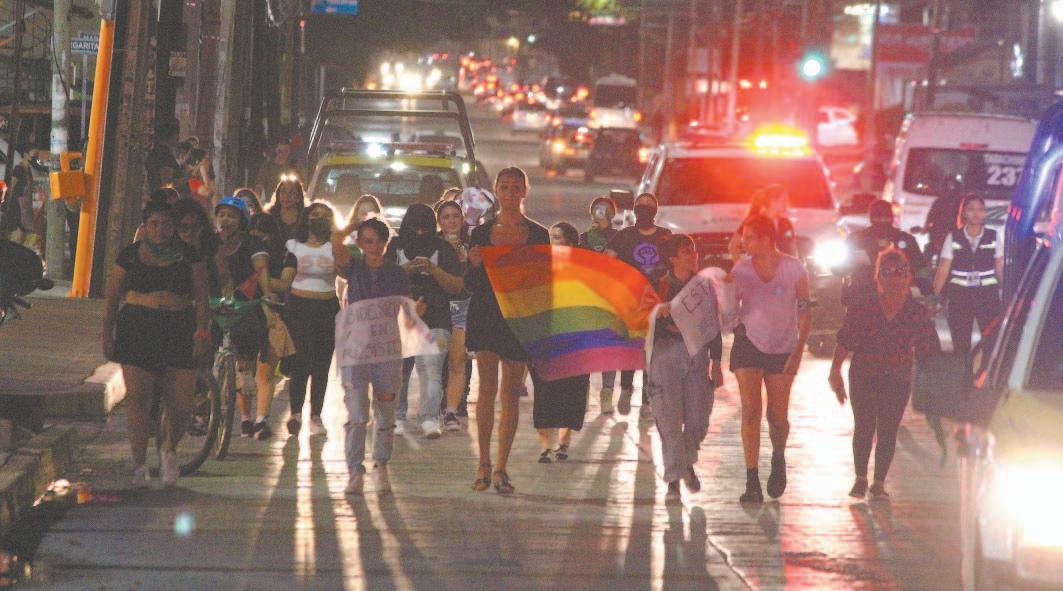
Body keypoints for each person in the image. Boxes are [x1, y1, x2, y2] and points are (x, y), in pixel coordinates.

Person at [102, 201, 210, 487]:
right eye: (154, 224)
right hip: (138, 328)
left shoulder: (189, 255)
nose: (160, 230)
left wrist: (202, 332)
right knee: (138, 399)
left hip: (179, 328)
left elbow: (202, 297)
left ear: (173, 227)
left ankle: (169, 448)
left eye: (166, 224)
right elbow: (113, 297)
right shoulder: (130, 256)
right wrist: (107, 332)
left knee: (182, 404)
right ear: (145, 226)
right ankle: (139, 465)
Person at [466, 167, 550, 494]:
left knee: (511, 393)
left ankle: (501, 466)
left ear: (525, 192)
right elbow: (470, 284)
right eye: (505, 187)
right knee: (486, 390)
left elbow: (545, 283)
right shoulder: (481, 233)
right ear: (496, 191)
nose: (511, 193)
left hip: (519, 319)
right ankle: (483, 463)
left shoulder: (539, 234)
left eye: (517, 187)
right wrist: (474, 264)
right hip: (486, 316)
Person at [830, 249, 939, 499]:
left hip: (898, 378)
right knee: (864, 426)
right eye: (887, 272)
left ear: (908, 276)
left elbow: (929, 349)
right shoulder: (864, 305)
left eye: (899, 272)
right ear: (877, 276)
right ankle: (860, 478)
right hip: (864, 375)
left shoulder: (915, 311)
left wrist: (932, 384)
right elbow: (845, 339)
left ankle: (878, 483)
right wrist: (835, 371)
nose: (893, 277)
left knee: (888, 429)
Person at [729, 215, 812, 503]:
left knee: (777, 417)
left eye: (749, 237)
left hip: (782, 347)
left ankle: (778, 457)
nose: (744, 242)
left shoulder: (793, 268)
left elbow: (805, 309)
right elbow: (729, 306)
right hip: (748, 342)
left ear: (765, 239)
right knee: (750, 409)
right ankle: (751, 479)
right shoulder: (741, 268)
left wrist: (799, 351)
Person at [332, 217, 416, 495]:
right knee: (357, 414)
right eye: (368, 241)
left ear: (386, 243)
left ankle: (381, 465)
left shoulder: (396, 273)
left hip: (387, 349)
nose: (374, 247)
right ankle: (355, 470)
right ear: (359, 242)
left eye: (379, 241)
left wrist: (414, 316)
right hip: (356, 348)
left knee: (386, 411)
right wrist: (349, 226)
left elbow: (406, 310)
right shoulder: (353, 268)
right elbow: (336, 246)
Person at [647, 234, 724, 500]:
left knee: (698, 418)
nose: (693, 255)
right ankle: (673, 480)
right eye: (686, 251)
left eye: (693, 249)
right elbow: (640, 320)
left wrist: (717, 362)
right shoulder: (658, 285)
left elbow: (712, 324)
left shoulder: (704, 286)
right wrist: (657, 313)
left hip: (698, 355)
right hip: (665, 354)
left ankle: (686, 463)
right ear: (673, 259)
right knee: (669, 419)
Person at [388, 203, 464, 439]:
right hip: (401, 318)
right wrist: (406, 269)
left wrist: (433, 270)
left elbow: (457, 286)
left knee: (432, 370)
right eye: (415, 228)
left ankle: (429, 417)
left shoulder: (443, 248)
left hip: (437, 317)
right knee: (399, 371)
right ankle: (396, 416)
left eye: (425, 229)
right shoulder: (396, 246)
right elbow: (382, 280)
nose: (420, 233)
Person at [605, 192, 672, 416]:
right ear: (634, 210)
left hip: (657, 303)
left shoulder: (665, 236)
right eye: (640, 205)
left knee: (652, 352)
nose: (644, 209)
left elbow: (675, 263)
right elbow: (607, 260)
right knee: (632, 348)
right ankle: (626, 388)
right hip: (630, 302)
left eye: (648, 205)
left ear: (655, 211)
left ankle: (647, 401)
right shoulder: (624, 235)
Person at [214, 195, 276, 439]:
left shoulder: (252, 243)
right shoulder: (211, 242)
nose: (225, 220)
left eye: (231, 216)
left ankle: (244, 367)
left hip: (244, 302)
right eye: (222, 215)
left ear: (241, 221)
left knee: (249, 327)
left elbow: (261, 268)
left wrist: (267, 292)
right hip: (214, 300)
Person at [533, 222, 591, 464]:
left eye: (557, 237)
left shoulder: (583, 268)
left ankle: (563, 444)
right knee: (544, 392)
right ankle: (546, 446)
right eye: (551, 236)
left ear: (570, 242)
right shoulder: (541, 267)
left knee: (571, 393)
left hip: (575, 338)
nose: (552, 241)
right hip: (546, 337)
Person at [283, 202, 341, 437]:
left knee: (322, 363)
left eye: (325, 216)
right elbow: (286, 276)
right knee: (301, 360)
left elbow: (345, 271)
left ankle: (316, 415)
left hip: (327, 307)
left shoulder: (333, 247)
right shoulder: (294, 245)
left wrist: (339, 241)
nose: (319, 219)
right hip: (299, 306)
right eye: (315, 214)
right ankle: (295, 413)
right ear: (306, 218)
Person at [932, 194, 1003, 356]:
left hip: (988, 298)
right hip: (960, 298)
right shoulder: (953, 237)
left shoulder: (993, 236)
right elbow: (943, 268)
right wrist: (934, 296)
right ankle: (964, 372)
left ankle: (985, 372)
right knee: (961, 345)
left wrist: (1008, 292)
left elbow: (999, 267)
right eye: (971, 209)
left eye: (980, 209)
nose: (976, 214)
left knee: (990, 343)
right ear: (964, 212)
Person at [248, 213, 296, 440]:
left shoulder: (286, 255)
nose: (260, 241)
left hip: (276, 314)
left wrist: (258, 279)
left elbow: (285, 284)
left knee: (266, 370)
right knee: (244, 369)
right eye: (254, 236)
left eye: (264, 236)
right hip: (246, 310)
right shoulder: (243, 251)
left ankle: (260, 420)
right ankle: (245, 419)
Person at [843, 199, 929, 304]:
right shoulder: (857, 239)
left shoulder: (905, 240)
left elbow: (920, 269)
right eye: (878, 218)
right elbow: (840, 268)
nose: (882, 222)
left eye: (885, 218)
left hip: (895, 298)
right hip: (866, 298)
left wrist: (929, 293)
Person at [579, 196, 619, 414]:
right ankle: (582, 393)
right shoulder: (584, 238)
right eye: (597, 209)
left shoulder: (617, 237)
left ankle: (607, 393)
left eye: (605, 210)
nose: (601, 213)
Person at [436, 199, 473, 428]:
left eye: (455, 216)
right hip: (438, 307)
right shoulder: (433, 245)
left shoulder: (470, 245)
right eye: (446, 217)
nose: (451, 221)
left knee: (459, 359)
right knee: (437, 361)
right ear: (439, 221)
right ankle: (438, 403)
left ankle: (454, 407)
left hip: (463, 306)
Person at [728, 184, 797, 259]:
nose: (787, 204)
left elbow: (793, 250)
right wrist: (741, 265)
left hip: (783, 266)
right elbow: (733, 246)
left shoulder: (786, 223)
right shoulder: (753, 222)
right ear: (772, 201)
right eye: (784, 200)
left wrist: (796, 264)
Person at [145, 120, 183, 194]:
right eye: (177, 134)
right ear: (171, 135)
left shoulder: (156, 151)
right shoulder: (164, 154)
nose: (178, 138)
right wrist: (187, 179)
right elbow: (167, 184)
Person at [264, 178, 307, 244]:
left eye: (291, 192)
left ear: (298, 197)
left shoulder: (306, 218)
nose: (286, 196)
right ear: (278, 195)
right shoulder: (268, 216)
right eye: (283, 191)